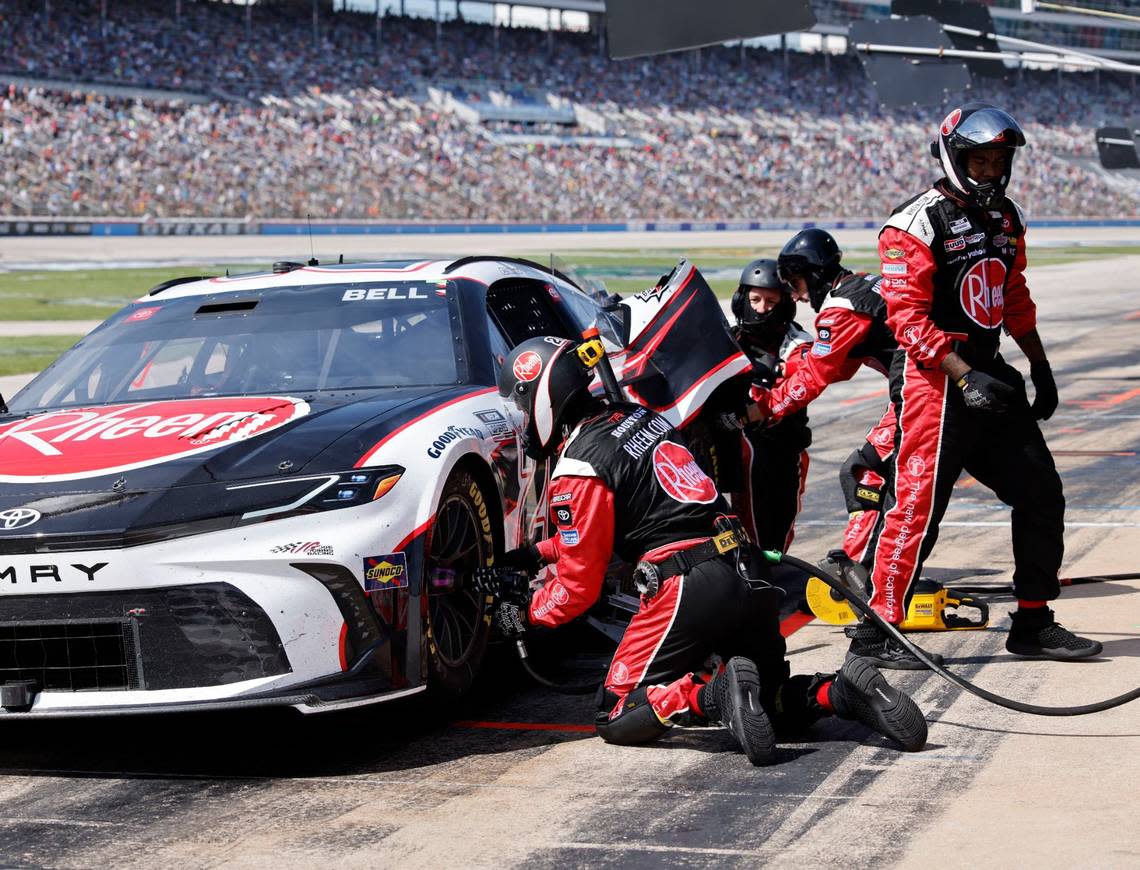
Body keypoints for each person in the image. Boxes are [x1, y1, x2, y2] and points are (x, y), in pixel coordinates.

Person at [484, 335, 927, 765]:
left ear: (543, 394)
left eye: (522, 404)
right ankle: (840, 693)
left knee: (617, 713)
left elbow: (579, 587)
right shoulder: (640, 418)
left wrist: (524, 616)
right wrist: (535, 555)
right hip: (747, 569)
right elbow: (616, 523)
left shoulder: (578, 466)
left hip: (687, 584)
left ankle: (713, 695)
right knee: (770, 704)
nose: (522, 416)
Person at [853, 102, 1100, 666]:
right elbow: (906, 320)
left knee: (1041, 493)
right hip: (934, 383)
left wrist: (1039, 365)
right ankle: (876, 633)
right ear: (954, 156)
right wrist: (963, 377)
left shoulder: (1006, 217)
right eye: (980, 160)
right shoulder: (913, 222)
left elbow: (1013, 295)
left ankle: (1034, 621)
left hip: (990, 373)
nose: (990, 171)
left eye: (999, 161)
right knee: (917, 508)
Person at [728, 259, 812, 552]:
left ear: (785, 304)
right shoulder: (728, 339)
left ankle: (772, 572)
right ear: (742, 299)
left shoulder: (798, 342)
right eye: (755, 299)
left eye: (771, 301)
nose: (762, 308)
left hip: (785, 447)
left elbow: (805, 376)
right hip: (738, 449)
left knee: (779, 528)